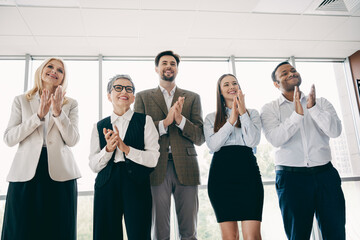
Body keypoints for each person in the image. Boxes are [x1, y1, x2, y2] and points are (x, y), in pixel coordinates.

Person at [260, 62, 345, 240]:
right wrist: (297, 115)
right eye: (284, 73)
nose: (291, 73)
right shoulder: (269, 109)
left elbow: (335, 131)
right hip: (291, 180)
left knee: (336, 233)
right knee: (297, 235)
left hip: (325, 175)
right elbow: (276, 139)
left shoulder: (321, 102)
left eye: (293, 70)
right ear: (276, 84)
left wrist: (313, 109)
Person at [1, 57, 80, 240]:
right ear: (41, 71)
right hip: (25, 172)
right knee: (20, 230)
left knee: (58, 230)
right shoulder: (21, 100)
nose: (54, 71)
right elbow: (9, 138)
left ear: (63, 78)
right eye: (50, 66)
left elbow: (72, 139)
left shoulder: (71, 104)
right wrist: (38, 115)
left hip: (60, 173)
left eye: (60, 70)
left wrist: (58, 112)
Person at [134, 50, 205, 240]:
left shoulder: (192, 97)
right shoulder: (142, 97)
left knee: (189, 231)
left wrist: (180, 119)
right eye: (164, 63)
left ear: (177, 69)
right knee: (160, 231)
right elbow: (138, 136)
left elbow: (199, 137)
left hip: (187, 166)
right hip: (156, 168)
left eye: (172, 63)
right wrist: (165, 122)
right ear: (156, 68)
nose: (168, 66)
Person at [89, 74, 160, 240]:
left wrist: (126, 149)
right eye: (118, 87)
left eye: (129, 89)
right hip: (106, 183)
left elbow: (153, 159)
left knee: (139, 234)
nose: (124, 91)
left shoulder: (145, 121)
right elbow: (93, 165)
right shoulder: (99, 126)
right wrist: (108, 149)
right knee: (105, 234)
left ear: (133, 97)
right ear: (109, 95)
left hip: (136, 183)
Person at [204, 74, 263, 240]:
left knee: (253, 236)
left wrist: (242, 113)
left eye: (234, 83)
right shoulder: (210, 118)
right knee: (230, 237)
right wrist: (231, 120)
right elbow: (214, 145)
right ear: (220, 91)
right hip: (221, 176)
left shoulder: (253, 113)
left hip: (248, 173)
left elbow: (252, 141)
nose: (231, 86)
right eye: (226, 84)